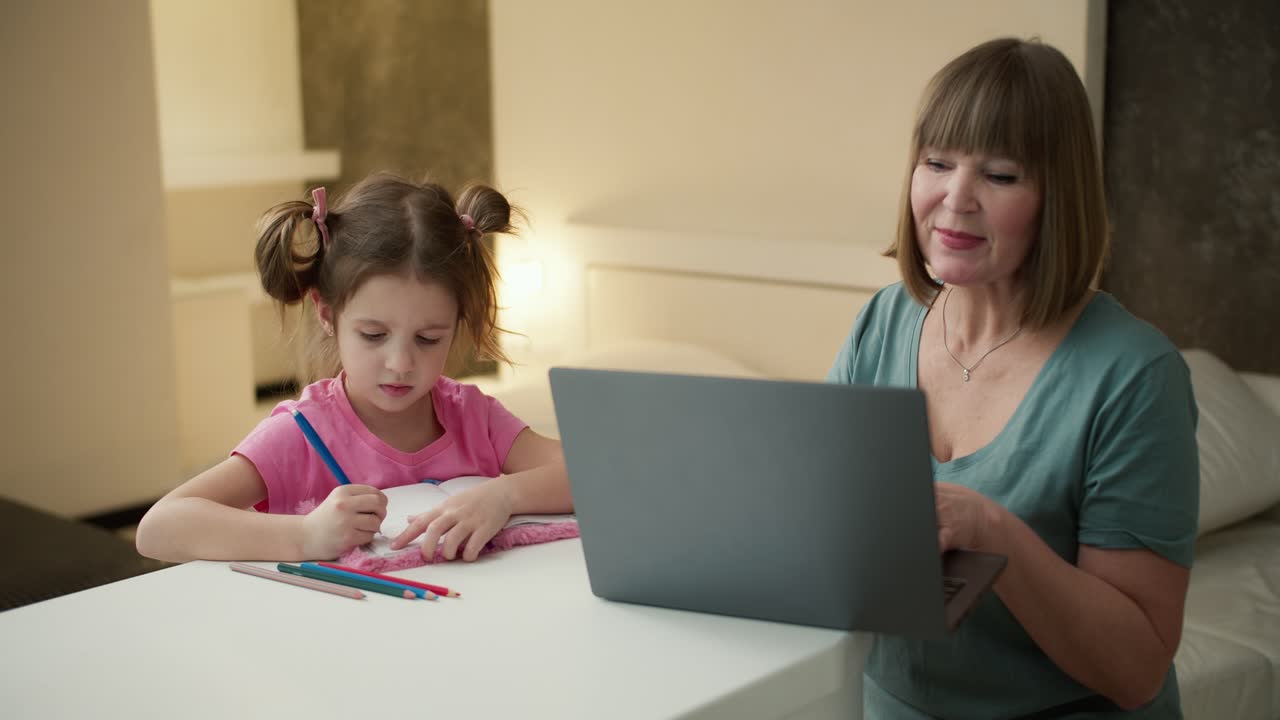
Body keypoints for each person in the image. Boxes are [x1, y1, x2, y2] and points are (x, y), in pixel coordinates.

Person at [827, 38, 1199, 718]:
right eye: (936, 163)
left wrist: (993, 532)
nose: (954, 197)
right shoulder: (883, 320)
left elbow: (1139, 667)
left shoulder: (1135, 377)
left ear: (1058, 197)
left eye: (1000, 175)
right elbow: (820, 519)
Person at [136, 173, 571, 564]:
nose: (401, 364)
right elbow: (159, 528)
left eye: (428, 339)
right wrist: (305, 536)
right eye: (373, 335)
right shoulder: (303, 433)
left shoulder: (473, 416)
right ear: (327, 314)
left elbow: (592, 474)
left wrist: (504, 494)